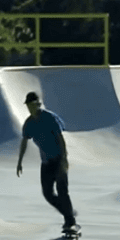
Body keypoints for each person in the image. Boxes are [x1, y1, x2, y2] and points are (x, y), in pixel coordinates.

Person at [16, 91, 78, 232]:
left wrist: (64, 159)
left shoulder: (49, 118)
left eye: (33, 105)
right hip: (46, 163)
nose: (31, 108)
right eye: (28, 106)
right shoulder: (29, 123)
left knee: (62, 192)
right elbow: (24, 141)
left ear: (38, 104)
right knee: (48, 194)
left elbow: (60, 139)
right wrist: (20, 161)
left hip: (58, 159)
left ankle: (70, 222)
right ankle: (68, 212)